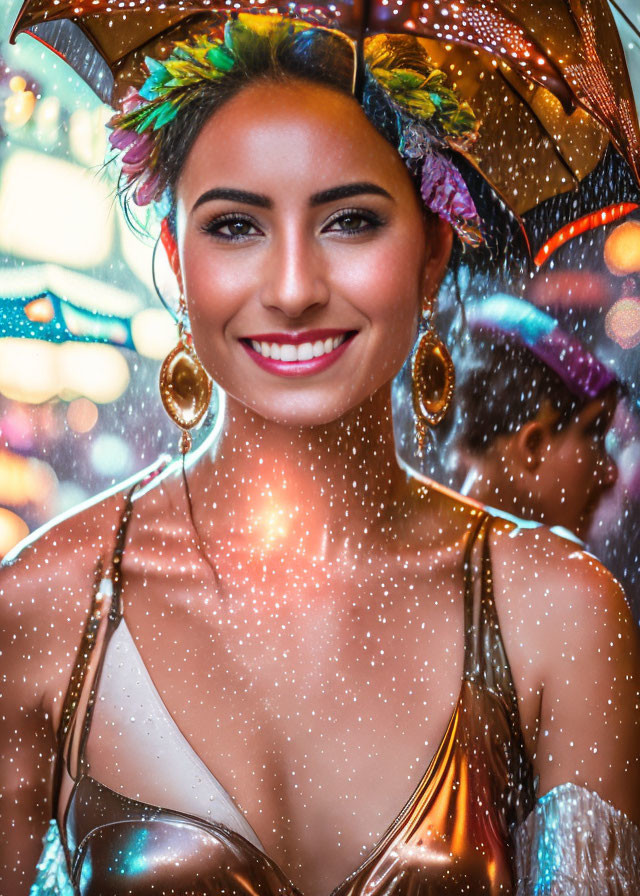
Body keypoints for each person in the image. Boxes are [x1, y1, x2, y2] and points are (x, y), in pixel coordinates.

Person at [1, 7, 639, 896]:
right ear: (178, 262)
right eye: (236, 226)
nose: (295, 288)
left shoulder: (559, 614)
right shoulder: (41, 608)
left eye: (350, 222)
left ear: (431, 254)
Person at [448, 294, 622, 542]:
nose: (610, 473)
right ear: (533, 445)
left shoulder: (426, 563)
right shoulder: (566, 577)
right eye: (593, 433)